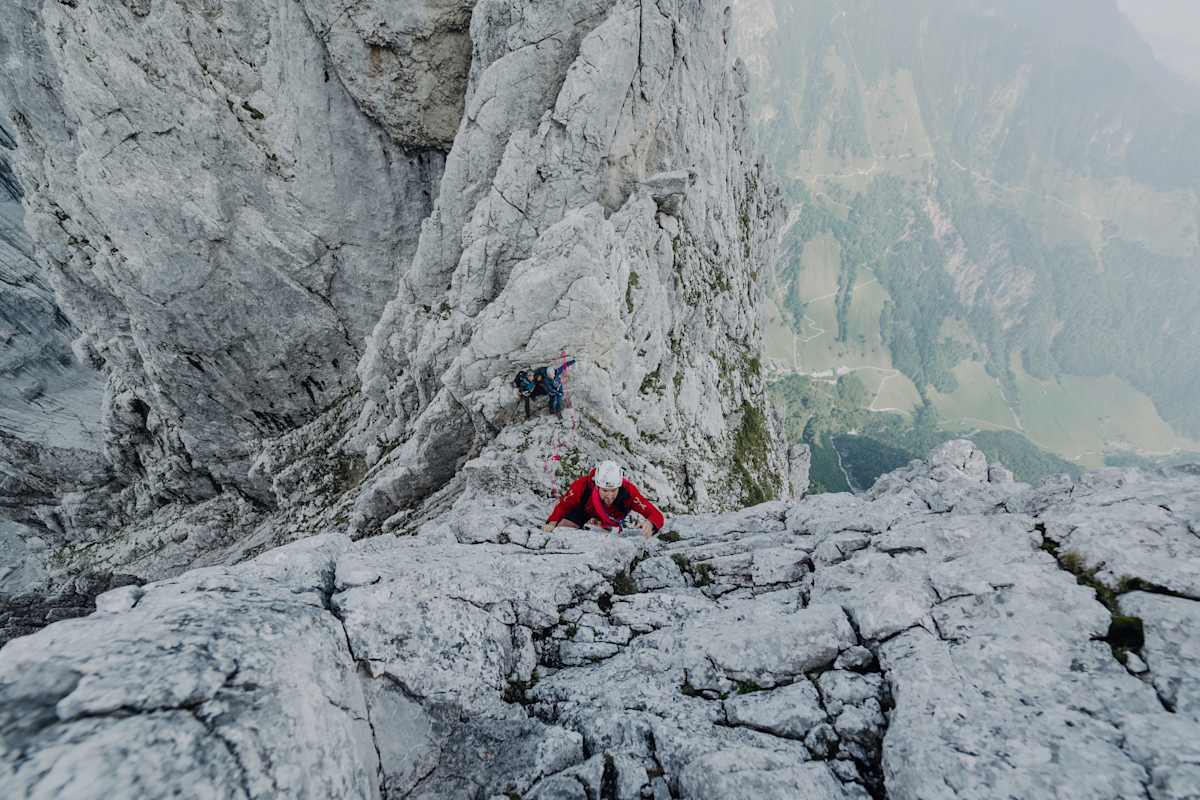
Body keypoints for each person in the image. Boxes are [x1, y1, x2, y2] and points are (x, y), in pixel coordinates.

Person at [544, 461, 665, 537]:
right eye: (605, 490)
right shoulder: (582, 486)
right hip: (587, 509)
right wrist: (552, 522)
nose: (609, 495)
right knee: (563, 529)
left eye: (613, 490)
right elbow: (564, 505)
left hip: (614, 515)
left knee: (608, 539)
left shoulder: (629, 492)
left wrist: (651, 524)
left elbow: (655, 514)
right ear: (596, 486)